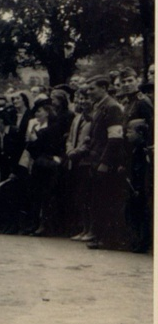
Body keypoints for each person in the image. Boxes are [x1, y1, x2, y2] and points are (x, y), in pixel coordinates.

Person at [84, 75, 127, 250]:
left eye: (92, 88)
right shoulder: (100, 107)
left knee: (106, 199)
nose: (89, 92)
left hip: (105, 161)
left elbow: (114, 138)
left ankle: (107, 238)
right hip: (96, 159)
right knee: (98, 199)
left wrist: (105, 161)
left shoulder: (112, 107)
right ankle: (100, 236)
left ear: (103, 88)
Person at [24, 98, 65, 237]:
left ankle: (45, 225)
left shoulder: (52, 128)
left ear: (47, 112)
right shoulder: (37, 128)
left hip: (47, 164)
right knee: (37, 195)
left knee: (46, 195)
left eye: (39, 111)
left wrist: (35, 141)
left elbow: (47, 147)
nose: (37, 114)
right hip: (38, 164)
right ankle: (36, 224)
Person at [66, 88, 94, 241]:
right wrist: (70, 150)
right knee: (80, 196)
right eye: (80, 99)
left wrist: (77, 152)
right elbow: (70, 138)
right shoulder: (77, 118)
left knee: (88, 196)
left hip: (86, 160)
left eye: (85, 98)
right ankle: (84, 228)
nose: (82, 102)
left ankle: (90, 229)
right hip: (75, 160)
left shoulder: (93, 118)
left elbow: (90, 141)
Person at [125, 119, 153, 254]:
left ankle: (142, 242)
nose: (127, 135)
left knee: (140, 214)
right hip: (135, 186)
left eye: (130, 132)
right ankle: (138, 241)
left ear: (140, 133)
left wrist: (138, 187)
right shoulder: (136, 148)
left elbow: (143, 172)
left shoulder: (142, 150)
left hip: (139, 188)